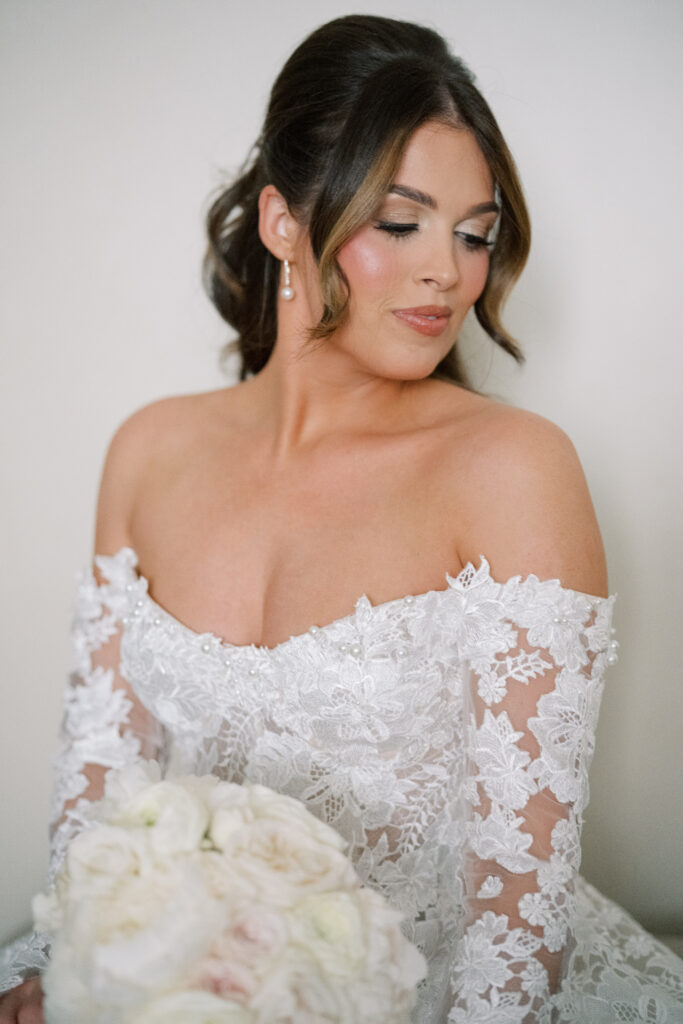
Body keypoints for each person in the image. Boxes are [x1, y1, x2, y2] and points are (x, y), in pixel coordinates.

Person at [1, 13, 681, 1023]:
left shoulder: (511, 470)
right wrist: (77, 969)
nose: (447, 273)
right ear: (282, 220)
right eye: (399, 222)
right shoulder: (148, 451)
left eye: (473, 233)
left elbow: (513, 923)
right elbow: (100, 791)